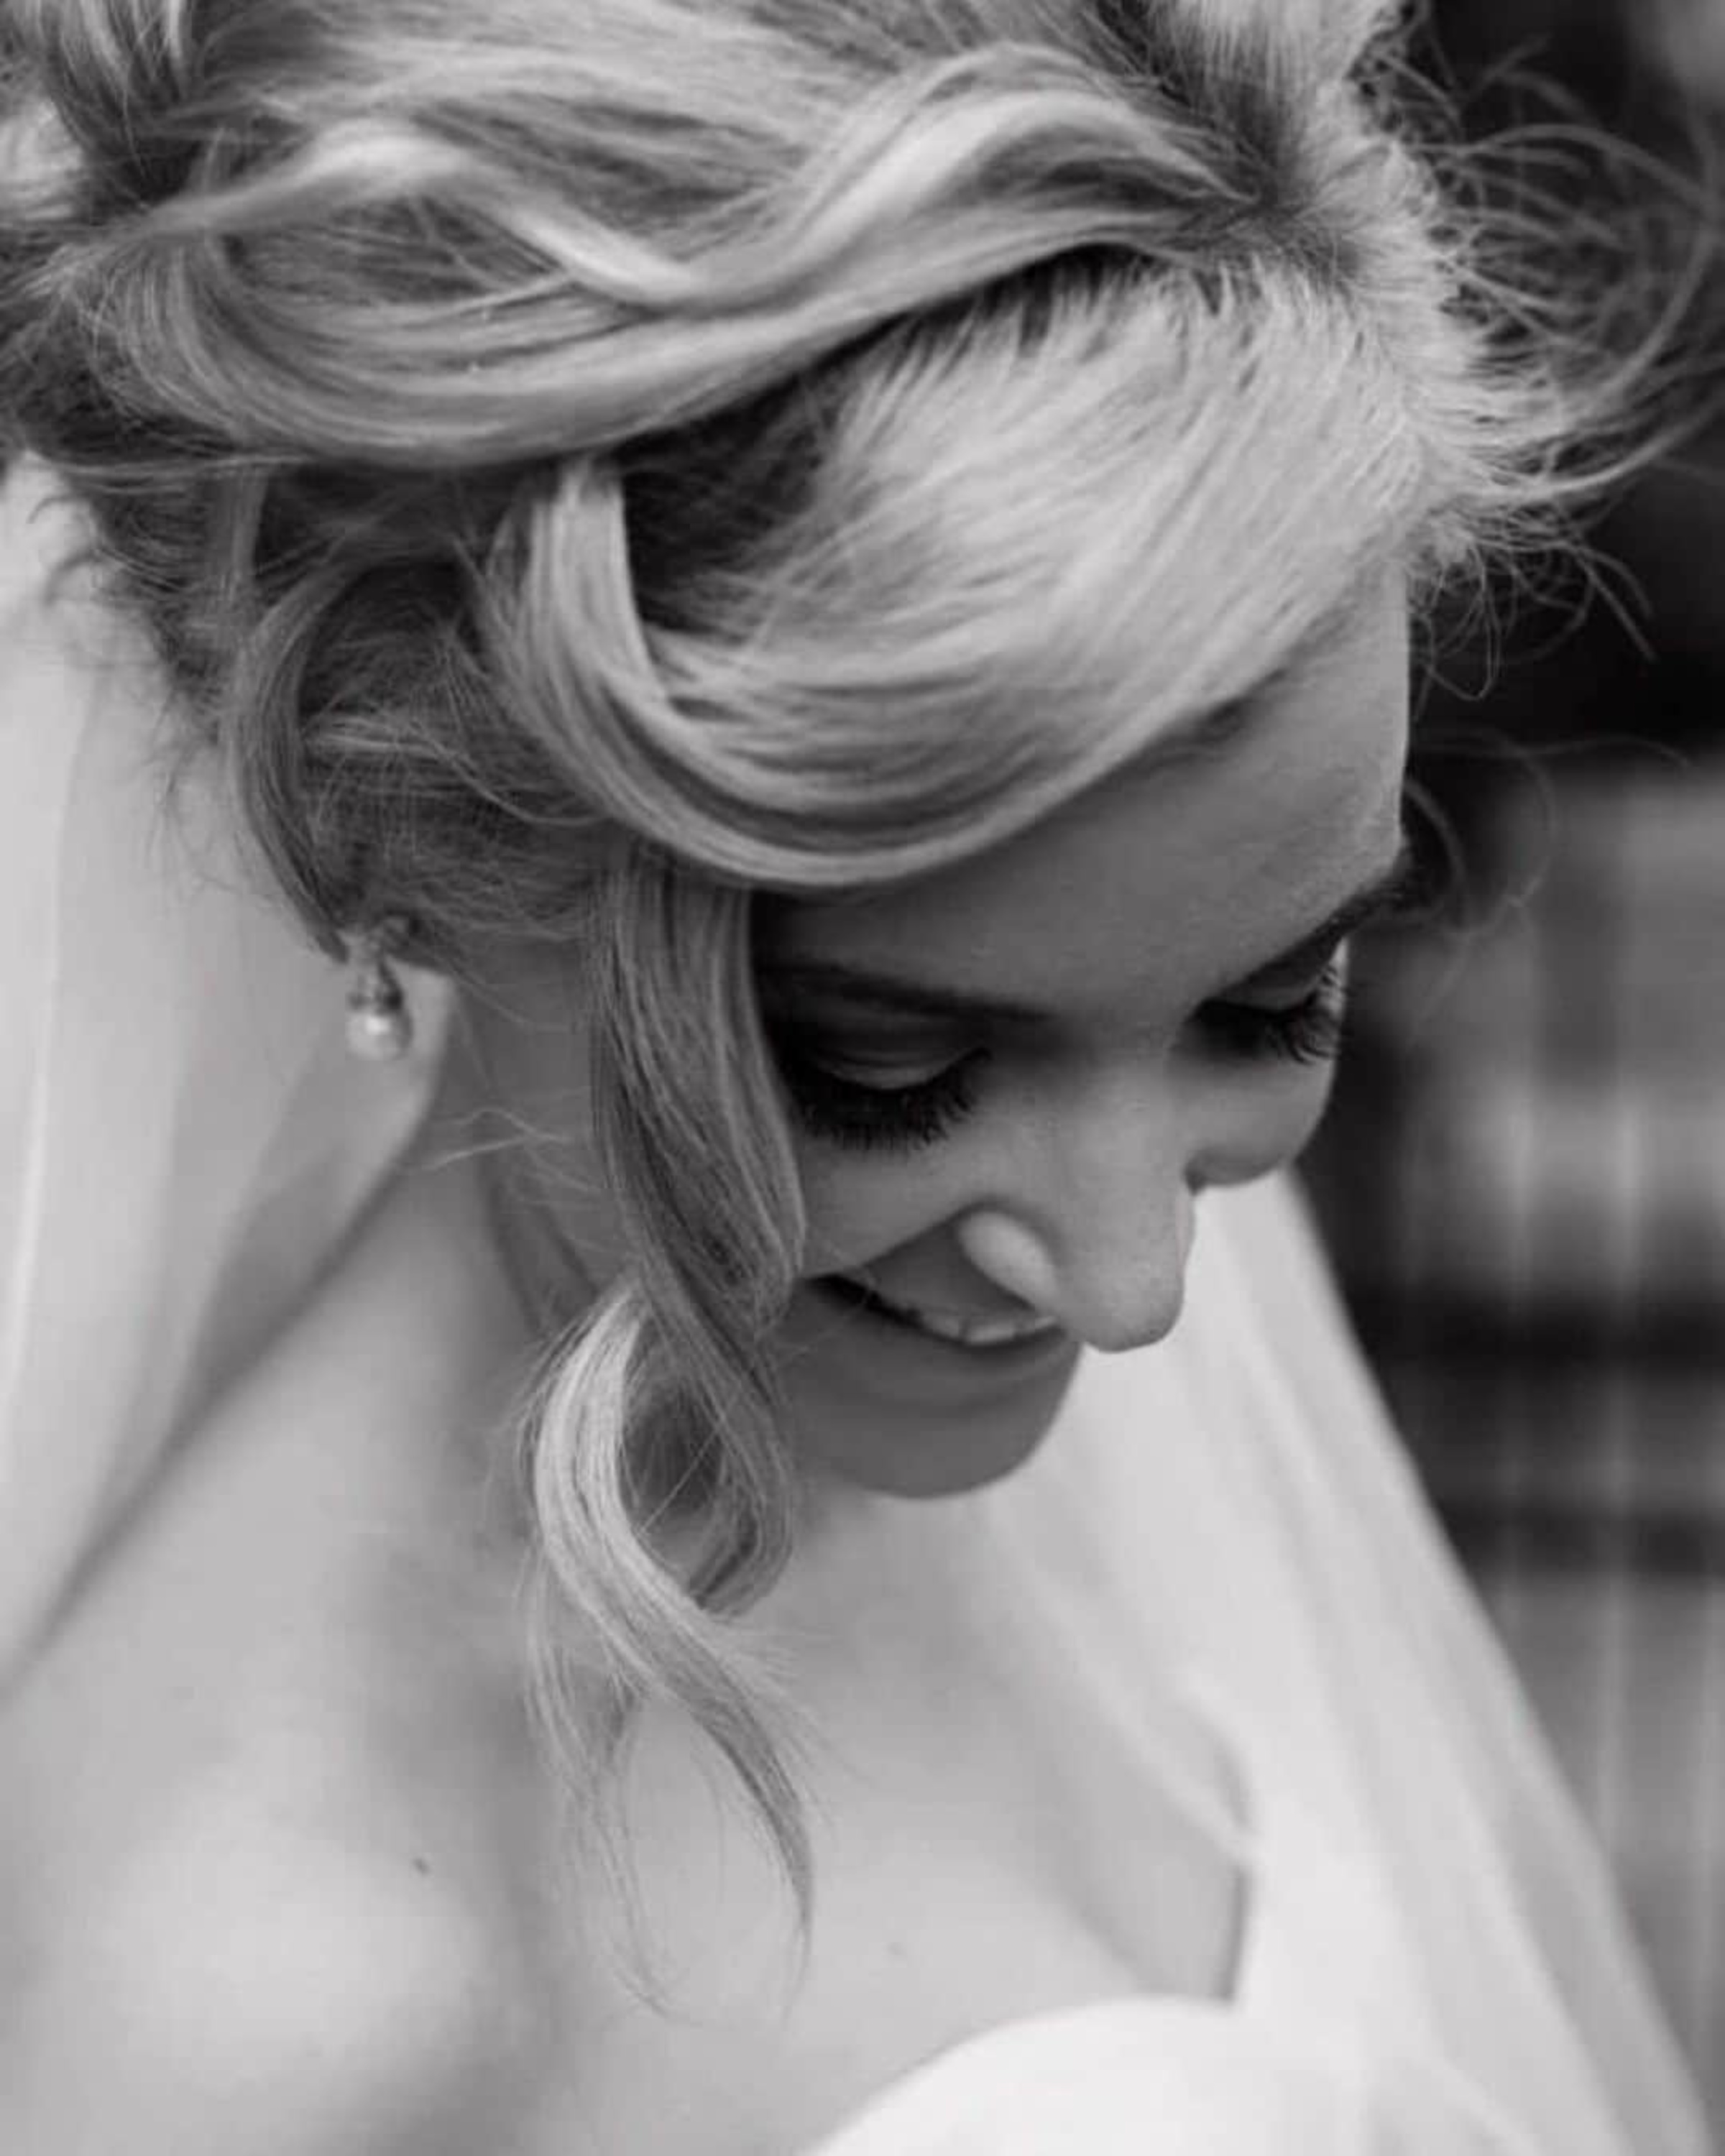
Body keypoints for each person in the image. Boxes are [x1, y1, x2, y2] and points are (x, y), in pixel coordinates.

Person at [0, 1, 1710, 2150]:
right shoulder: (257, 1986)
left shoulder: (920, 1377)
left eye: (1269, 1000)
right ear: (390, 855)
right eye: (891, 1067)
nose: (1135, 1285)